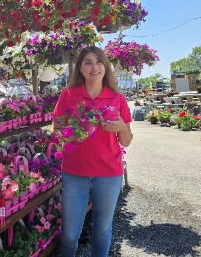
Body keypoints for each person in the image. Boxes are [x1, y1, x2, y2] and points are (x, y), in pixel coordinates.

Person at [51, 46, 133, 257]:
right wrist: (72, 136)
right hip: (74, 174)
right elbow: (56, 131)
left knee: (102, 230)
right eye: (88, 62)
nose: (94, 67)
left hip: (109, 174)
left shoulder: (118, 99)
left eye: (99, 61)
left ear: (105, 67)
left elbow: (127, 140)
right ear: (80, 68)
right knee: (70, 234)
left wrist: (122, 127)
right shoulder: (68, 95)